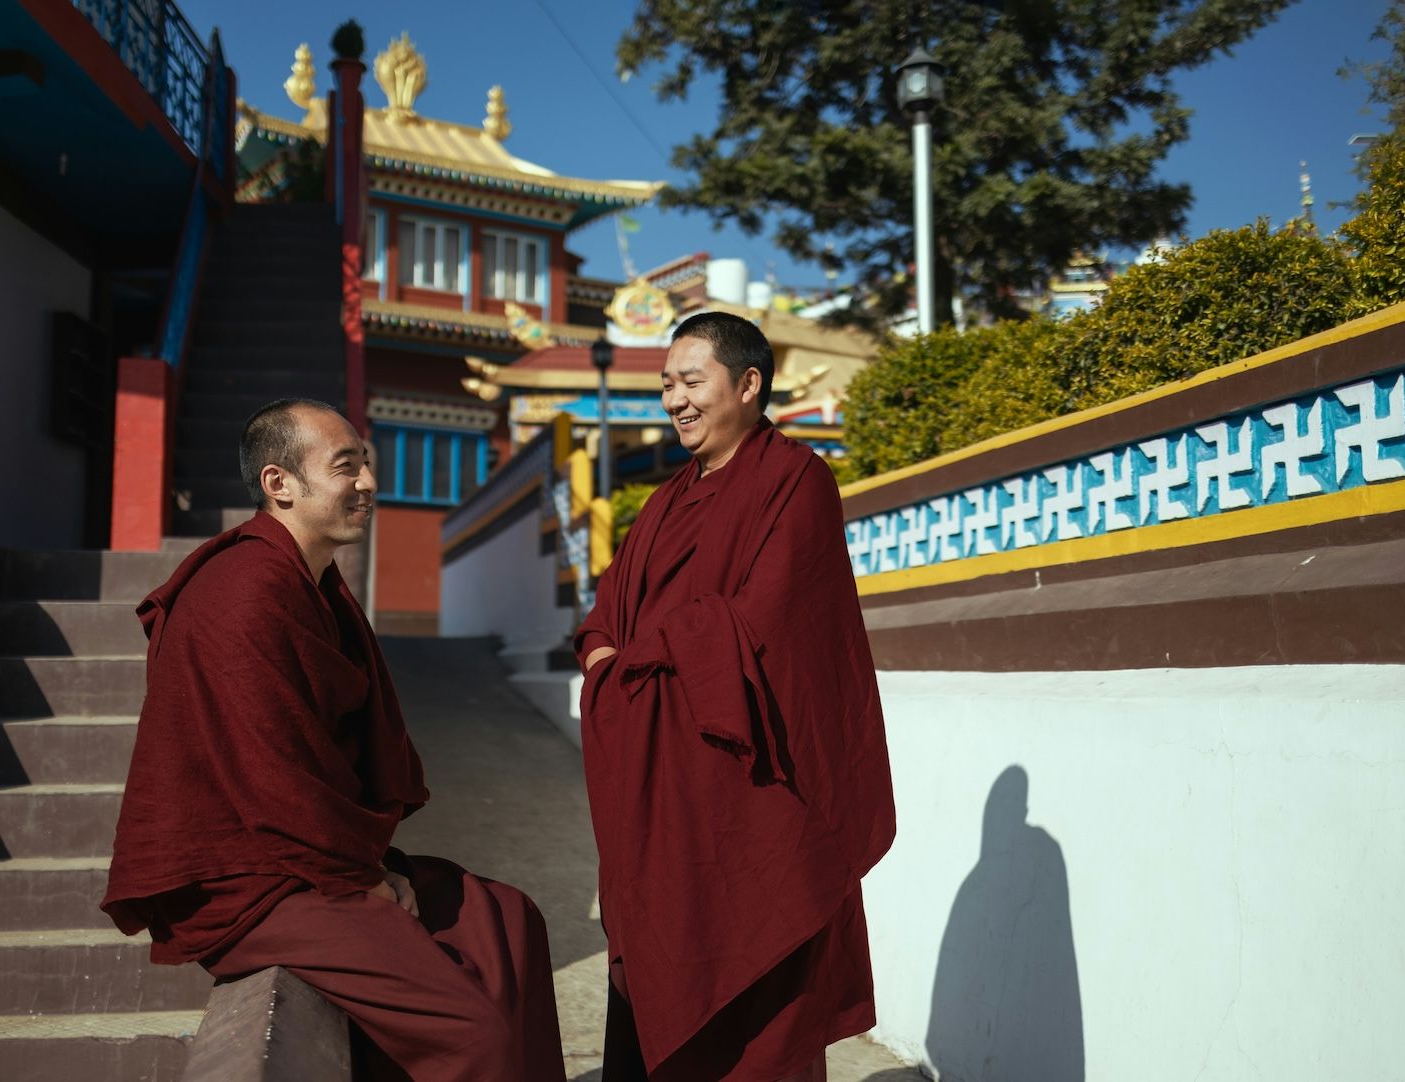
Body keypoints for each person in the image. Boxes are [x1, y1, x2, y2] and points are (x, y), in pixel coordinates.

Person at [102, 398, 565, 1082]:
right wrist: (367, 880)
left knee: (507, 919)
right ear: (278, 483)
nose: (369, 483)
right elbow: (269, 774)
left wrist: (371, 869)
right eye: (346, 466)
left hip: (312, 853)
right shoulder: (242, 592)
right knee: (473, 1034)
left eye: (366, 464)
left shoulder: (312, 583)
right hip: (250, 877)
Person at [575, 312, 896, 1081]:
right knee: (657, 966)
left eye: (691, 382)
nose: (674, 401)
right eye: (665, 386)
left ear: (748, 385)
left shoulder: (796, 482)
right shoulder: (660, 505)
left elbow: (764, 623)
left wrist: (635, 657)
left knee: (758, 997)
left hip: (749, 788)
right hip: (662, 789)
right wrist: (601, 657)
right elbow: (606, 613)